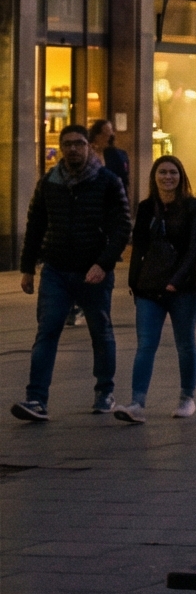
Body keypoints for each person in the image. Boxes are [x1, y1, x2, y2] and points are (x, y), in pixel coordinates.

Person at [15, 127, 130, 422]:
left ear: (89, 146)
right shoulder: (49, 182)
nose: (72, 149)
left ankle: (105, 391)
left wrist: (103, 264)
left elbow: (122, 228)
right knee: (47, 330)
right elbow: (36, 224)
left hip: (93, 272)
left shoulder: (107, 181)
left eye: (78, 144)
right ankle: (36, 399)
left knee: (100, 331)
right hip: (56, 269)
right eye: (67, 144)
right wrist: (28, 268)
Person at [115, 155, 196, 423]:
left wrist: (175, 281)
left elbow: (194, 250)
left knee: (185, 343)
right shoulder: (146, 207)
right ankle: (136, 403)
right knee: (145, 345)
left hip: (184, 289)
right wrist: (134, 281)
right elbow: (139, 247)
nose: (168, 177)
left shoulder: (192, 207)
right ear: (154, 177)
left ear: (181, 177)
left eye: (173, 172)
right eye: (162, 172)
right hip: (149, 288)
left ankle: (187, 398)